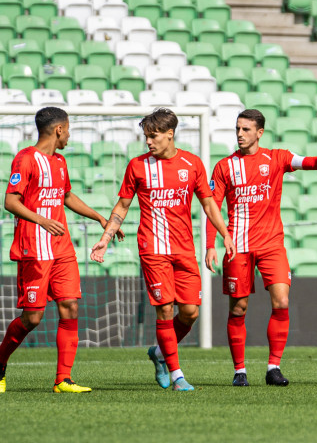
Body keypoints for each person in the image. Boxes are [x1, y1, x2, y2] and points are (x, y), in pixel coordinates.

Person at [90, 108, 235, 391]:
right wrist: (105, 238)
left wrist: (224, 234)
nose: (148, 141)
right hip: (152, 249)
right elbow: (122, 206)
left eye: (153, 136)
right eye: (146, 136)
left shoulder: (192, 164)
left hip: (183, 249)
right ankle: (177, 373)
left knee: (190, 312)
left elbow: (208, 204)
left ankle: (158, 353)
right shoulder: (137, 166)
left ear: (170, 134)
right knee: (165, 310)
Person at [0, 107, 119, 393]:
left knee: (70, 306)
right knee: (32, 318)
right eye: (69, 129)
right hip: (34, 248)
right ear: (59, 129)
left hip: (62, 249)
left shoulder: (60, 162)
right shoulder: (25, 158)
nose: (69, 135)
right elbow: (10, 201)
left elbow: (67, 196)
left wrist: (98, 217)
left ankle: (63, 380)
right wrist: (42, 220)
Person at [206, 109, 317, 387]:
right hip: (237, 246)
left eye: (245, 129)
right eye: (237, 129)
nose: (240, 134)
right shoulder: (224, 167)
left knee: (282, 301)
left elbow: (309, 162)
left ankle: (273, 368)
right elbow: (212, 209)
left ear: (259, 132)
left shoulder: (276, 158)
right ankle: (239, 370)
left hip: (271, 244)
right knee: (239, 309)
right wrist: (210, 245)